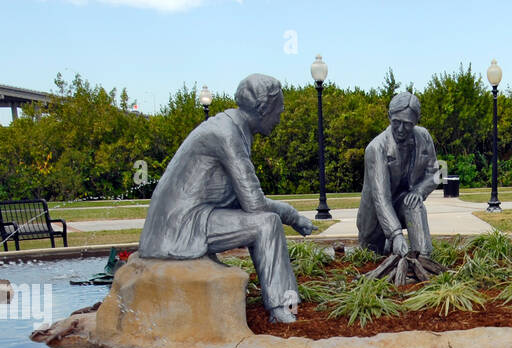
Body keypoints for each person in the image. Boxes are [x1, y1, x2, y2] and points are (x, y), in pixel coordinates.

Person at [139, 74, 315, 324]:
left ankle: (282, 305)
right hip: (181, 228)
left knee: (266, 221)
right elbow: (254, 205)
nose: (280, 117)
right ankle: (281, 307)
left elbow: (237, 197)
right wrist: (292, 215)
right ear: (263, 108)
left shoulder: (234, 128)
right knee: (267, 223)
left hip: (193, 218)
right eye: (279, 110)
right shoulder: (226, 133)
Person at [356, 91, 441, 257]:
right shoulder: (376, 148)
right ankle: (388, 245)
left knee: (414, 202)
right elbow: (381, 198)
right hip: (375, 221)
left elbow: (437, 172)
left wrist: (419, 191)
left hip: (402, 203)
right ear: (389, 116)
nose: (401, 129)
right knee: (373, 258)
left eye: (408, 124)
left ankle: (423, 258)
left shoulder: (424, 137)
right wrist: (396, 234)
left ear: (416, 121)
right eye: (397, 122)